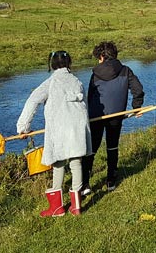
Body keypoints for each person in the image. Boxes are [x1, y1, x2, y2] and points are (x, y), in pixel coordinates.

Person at [17, 50, 91, 217]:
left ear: (52, 65)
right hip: (78, 128)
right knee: (76, 162)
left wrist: (23, 127)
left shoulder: (51, 83)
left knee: (58, 164)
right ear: (69, 63)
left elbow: (33, 100)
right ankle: (76, 207)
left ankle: (57, 208)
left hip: (60, 130)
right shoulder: (77, 82)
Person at [81, 41, 145, 193]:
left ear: (103, 56)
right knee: (112, 146)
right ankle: (111, 181)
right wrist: (136, 108)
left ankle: (85, 183)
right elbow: (138, 90)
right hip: (117, 115)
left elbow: (90, 97)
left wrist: (87, 115)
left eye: (99, 57)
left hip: (96, 116)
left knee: (92, 148)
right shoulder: (126, 70)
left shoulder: (95, 74)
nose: (98, 61)